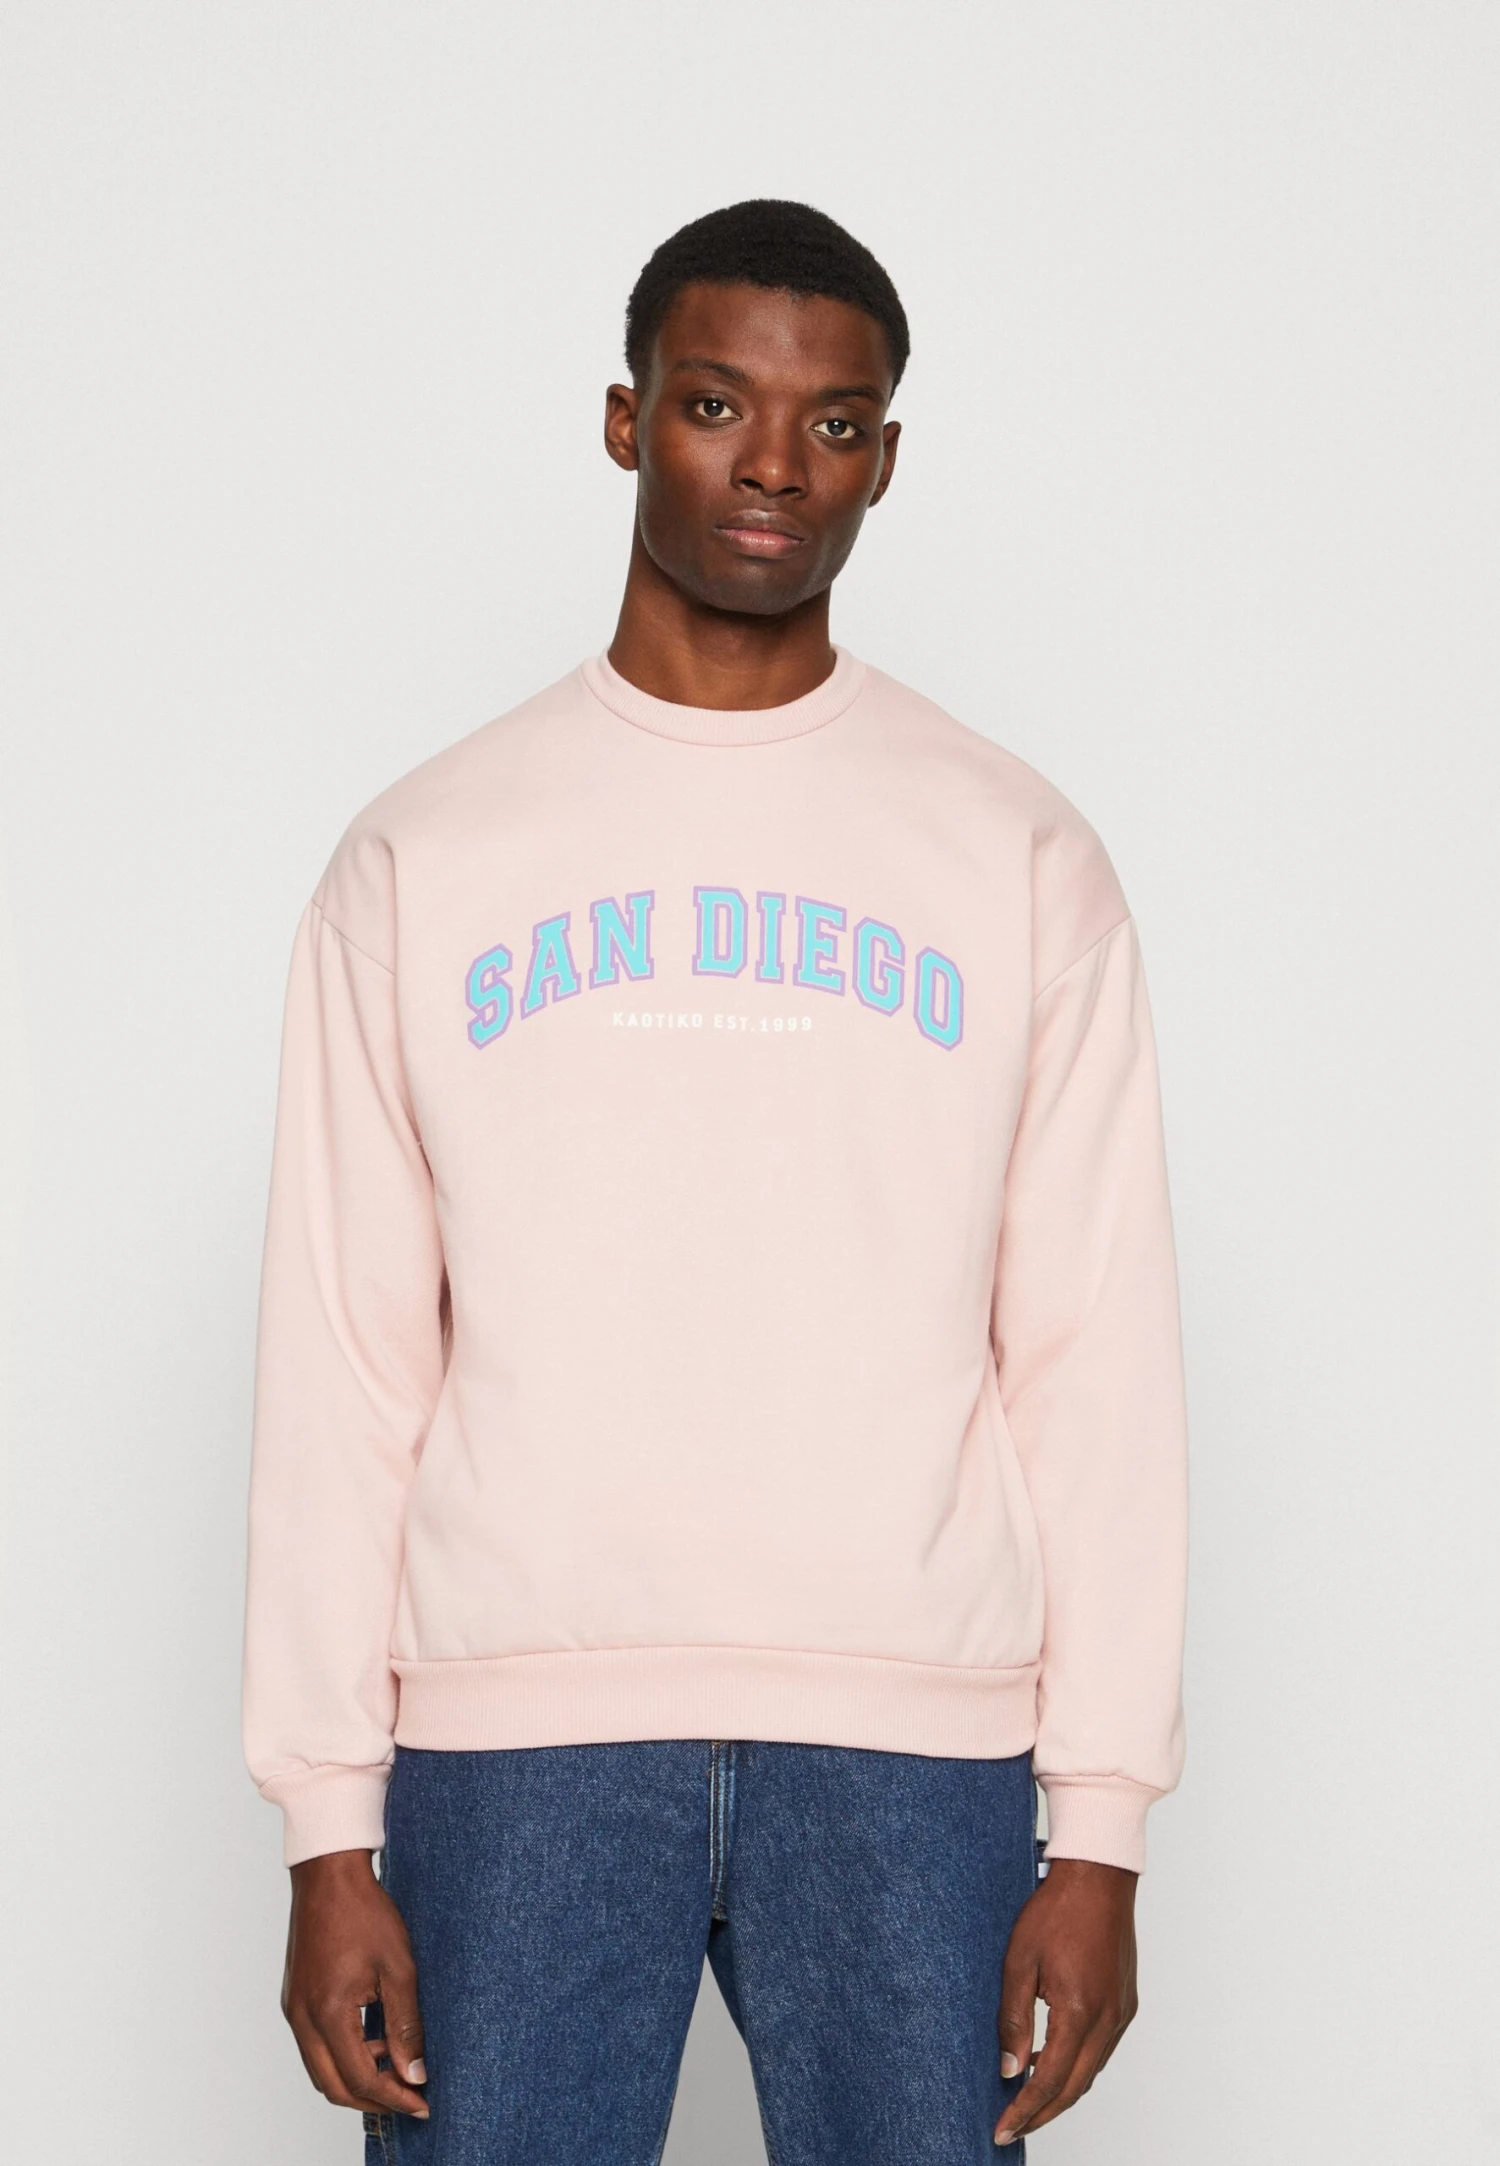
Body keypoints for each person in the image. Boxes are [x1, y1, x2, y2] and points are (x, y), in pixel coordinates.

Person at [241, 198, 1189, 2166]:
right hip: (517, 1735)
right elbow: (344, 1358)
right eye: (714, 405)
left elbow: (1093, 1355)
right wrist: (328, 1823)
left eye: (833, 424)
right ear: (625, 421)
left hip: (914, 1734)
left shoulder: (1015, 852)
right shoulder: (427, 854)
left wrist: (1100, 1825)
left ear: (886, 459)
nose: (774, 465)